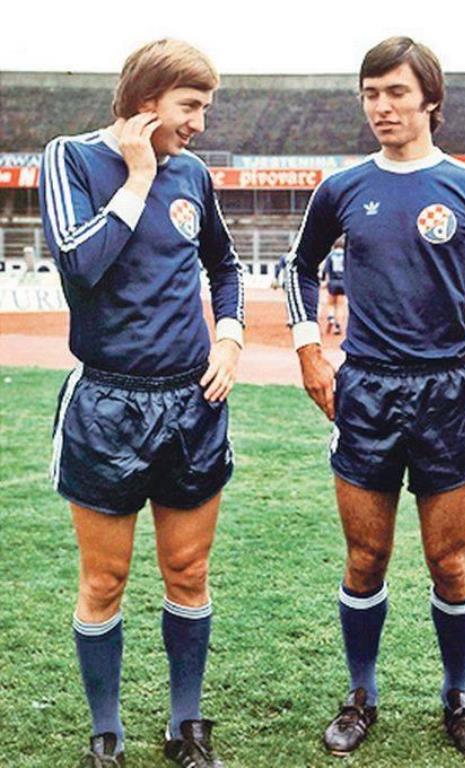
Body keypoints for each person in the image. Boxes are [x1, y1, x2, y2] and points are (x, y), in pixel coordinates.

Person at [285, 36, 465, 758]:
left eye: (395, 92)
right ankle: (361, 694)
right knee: (365, 558)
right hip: (365, 389)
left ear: (430, 100)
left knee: (449, 562)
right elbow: (298, 266)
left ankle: (458, 695)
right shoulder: (342, 188)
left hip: (447, 390)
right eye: (370, 93)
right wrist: (309, 350)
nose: (381, 106)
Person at [39, 39, 244, 768]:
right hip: (107, 404)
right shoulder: (69, 159)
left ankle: (186, 724)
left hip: (191, 403)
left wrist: (229, 337)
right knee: (105, 580)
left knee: (188, 573)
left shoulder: (195, 174)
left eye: (204, 109)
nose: (199, 124)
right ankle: (107, 732)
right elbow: (79, 263)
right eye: (190, 106)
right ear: (146, 100)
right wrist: (138, 176)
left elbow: (224, 264)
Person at [321, 239, 346, 334]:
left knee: (331, 303)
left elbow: (326, 271)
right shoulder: (346, 255)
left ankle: (331, 317)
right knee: (340, 305)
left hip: (333, 281)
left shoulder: (330, 256)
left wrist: (325, 282)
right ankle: (338, 325)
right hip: (343, 282)